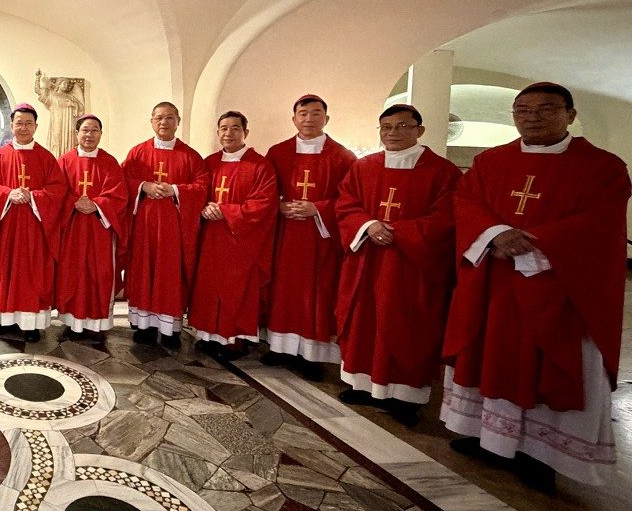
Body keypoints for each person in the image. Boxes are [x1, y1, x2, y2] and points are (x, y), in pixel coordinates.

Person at [441, 82, 630, 489]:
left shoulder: (603, 167)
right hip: (495, 283)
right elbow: (466, 200)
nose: (532, 117)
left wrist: (528, 243)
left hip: (559, 288)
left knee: (548, 364)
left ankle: (542, 453)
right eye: (522, 109)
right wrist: (494, 233)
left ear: (570, 115)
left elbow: (599, 225)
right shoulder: (491, 161)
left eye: (546, 109)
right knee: (494, 353)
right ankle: (490, 438)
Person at [334, 104, 460, 425]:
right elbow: (346, 203)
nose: (393, 133)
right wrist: (367, 225)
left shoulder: (442, 172)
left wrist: (396, 231)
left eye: (402, 126)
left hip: (411, 266)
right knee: (365, 320)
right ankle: (361, 384)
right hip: (367, 261)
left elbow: (447, 217)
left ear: (419, 130)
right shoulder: (363, 167)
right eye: (386, 127)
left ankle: (406, 397)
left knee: (407, 324)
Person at [262, 94, 356, 377]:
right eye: (303, 114)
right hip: (286, 233)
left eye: (316, 114)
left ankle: (313, 355)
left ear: (326, 119)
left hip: (319, 237)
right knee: (283, 289)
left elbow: (350, 199)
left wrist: (318, 208)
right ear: (294, 119)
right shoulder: (278, 152)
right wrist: (278, 206)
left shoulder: (342, 156)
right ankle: (279, 347)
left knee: (316, 292)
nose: (309, 119)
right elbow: (265, 190)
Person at [188, 111, 277, 361]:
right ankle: (208, 336)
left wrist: (225, 211)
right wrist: (203, 207)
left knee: (236, 289)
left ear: (245, 133)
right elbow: (197, 191)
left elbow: (263, 203)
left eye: (235, 128)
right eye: (224, 128)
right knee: (208, 286)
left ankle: (234, 340)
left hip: (241, 241)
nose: (229, 133)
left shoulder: (260, 165)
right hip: (210, 239)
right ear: (218, 132)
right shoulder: (209, 162)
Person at [0, 103, 66, 343]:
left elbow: (58, 190)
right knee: (5, 270)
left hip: (36, 229)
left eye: (28, 123)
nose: (23, 127)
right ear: (12, 125)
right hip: (6, 229)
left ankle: (31, 324)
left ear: (36, 126)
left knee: (33, 273)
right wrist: (8, 194)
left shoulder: (46, 158)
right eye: (19, 123)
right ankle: (3, 321)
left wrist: (34, 197)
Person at [121, 102, 207, 347]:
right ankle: (143, 325)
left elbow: (202, 187)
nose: (164, 122)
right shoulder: (137, 153)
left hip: (173, 229)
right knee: (143, 270)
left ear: (178, 121)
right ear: (151, 121)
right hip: (144, 227)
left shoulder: (190, 156)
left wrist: (175, 190)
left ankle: (170, 327)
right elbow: (123, 179)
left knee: (169, 274)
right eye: (159, 117)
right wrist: (144, 186)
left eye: (170, 117)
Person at [55, 114, 128, 343]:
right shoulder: (64, 161)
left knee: (99, 274)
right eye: (85, 130)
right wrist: (73, 202)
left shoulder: (109, 162)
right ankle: (72, 322)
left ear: (100, 134)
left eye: (94, 130)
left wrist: (96, 204)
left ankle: (96, 324)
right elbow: (55, 192)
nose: (89, 135)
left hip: (100, 231)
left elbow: (119, 195)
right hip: (73, 229)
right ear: (77, 134)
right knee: (72, 273)